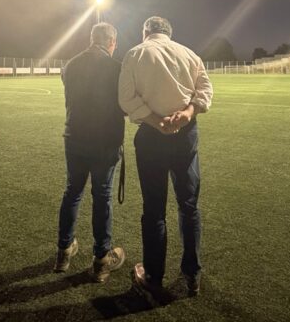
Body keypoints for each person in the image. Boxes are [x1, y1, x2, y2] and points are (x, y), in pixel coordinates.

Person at [118, 16, 213, 297]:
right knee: (189, 206)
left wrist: (157, 121)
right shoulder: (190, 54)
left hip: (151, 137)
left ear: (145, 32)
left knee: (154, 209)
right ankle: (192, 275)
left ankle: (153, 275)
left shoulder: (135, 53)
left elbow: (125, 98)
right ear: (169, 33)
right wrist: (186, 114)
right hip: (186, 136)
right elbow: (205, 91)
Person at [54, 22, 126, 282]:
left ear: (92, 38)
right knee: (102, 196)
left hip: (74, 137)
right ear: (112, 42)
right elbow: (125, 106)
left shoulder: (71, 64)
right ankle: (102, 260)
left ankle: (63, 251)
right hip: (104, 142)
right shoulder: (117, 67)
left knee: (72, 192)